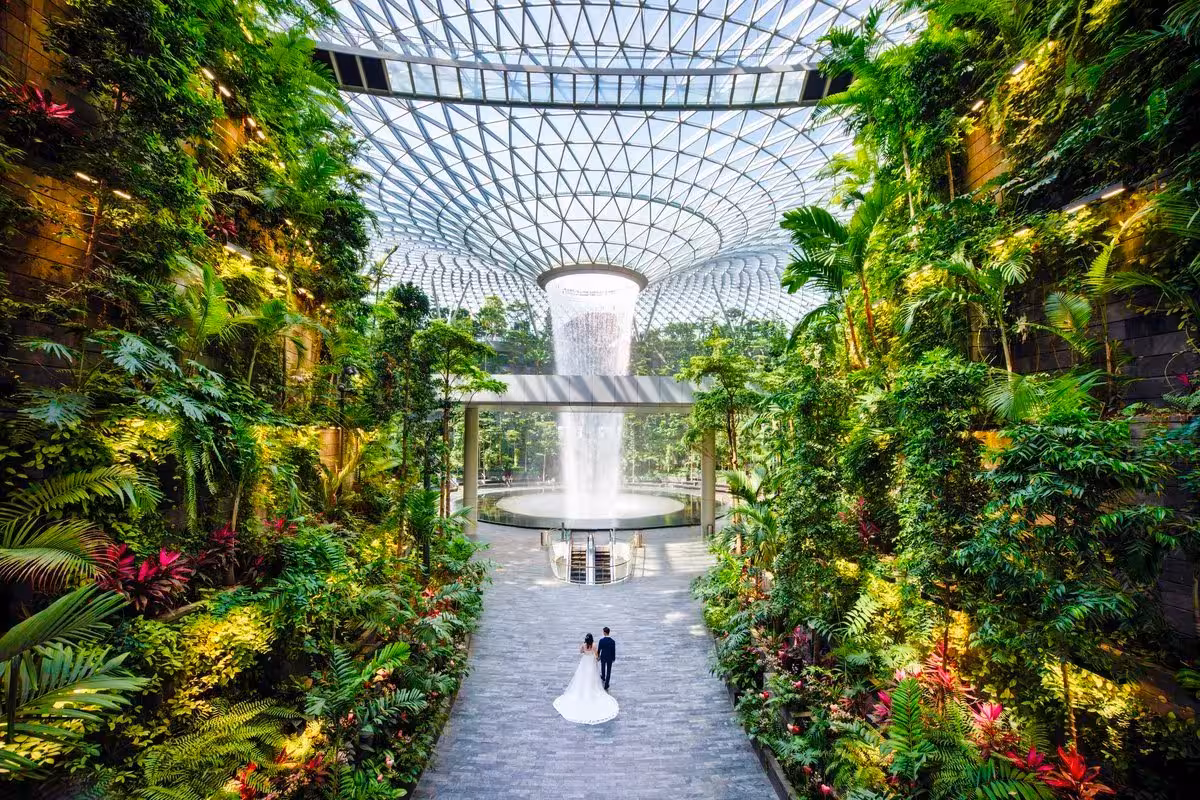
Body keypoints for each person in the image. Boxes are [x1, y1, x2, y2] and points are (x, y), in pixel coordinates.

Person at [552, 633, 619, 724]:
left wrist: (585, 652)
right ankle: (591, 689)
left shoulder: (583, 645)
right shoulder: (594, 645)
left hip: (585, 661)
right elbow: (596, 654)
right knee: (591, 676)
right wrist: (596, 658)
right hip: (591, 661)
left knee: (583, 676)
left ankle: (582, 690)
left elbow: (581, 651)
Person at [597, 627, 615, 691]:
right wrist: (613, 658)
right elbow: (613, 651)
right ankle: (606, 684)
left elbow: (599, 650)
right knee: (609, 671)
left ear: (604, 632)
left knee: (603, 667)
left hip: (603, 656)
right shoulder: (612, 641)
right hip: (610, 657)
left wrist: (598, 656)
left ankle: (603, 677)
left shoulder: (601, 641)